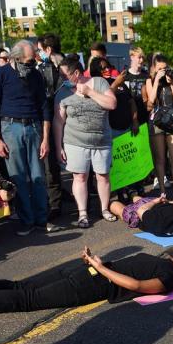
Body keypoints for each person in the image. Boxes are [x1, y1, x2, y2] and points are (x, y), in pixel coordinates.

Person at [0, 242, 173, 331]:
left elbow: (128, 269)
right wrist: (102, 268)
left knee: (19, 285)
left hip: (83, 268)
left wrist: (97, 262)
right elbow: (135, 284)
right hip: (92, 281)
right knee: (28, 299)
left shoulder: (151, 258)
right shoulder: (167, 278)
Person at [0, 40, 53, 236]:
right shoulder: (0, 74)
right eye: (28, 61)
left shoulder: (37, 75)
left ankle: (41, 220)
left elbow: (44, 107)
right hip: (10, 127)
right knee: (19, 179)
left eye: (33, 61)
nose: (31, 65)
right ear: (15, 58)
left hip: (33, 127)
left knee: (39, 177)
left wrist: (45, 138)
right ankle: (27, 221)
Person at [53, 56, 117, 229]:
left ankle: (104, 209)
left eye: (65, 75)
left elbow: (112, 104)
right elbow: (58, 121)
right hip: (75, 142)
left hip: (101, 141)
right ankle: (82, 213)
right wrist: (59, 146)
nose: (62, 79)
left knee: (103, 176)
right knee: (80, 177)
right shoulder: (62, 92)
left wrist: (89, 92)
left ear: (76, 73)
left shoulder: (99, 82)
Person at [145, 55, 173, 200]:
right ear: (154, 68)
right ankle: (162, 191)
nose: (163, 71)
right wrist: (156, 81)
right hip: (157, 122)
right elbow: (151, 101)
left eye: (165, 68)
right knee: (160, 159)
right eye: (160, 68)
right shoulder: (150, 81)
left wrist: (172, 83)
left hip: (172, 122)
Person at [36, 34, 64, 224]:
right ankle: (56, 202)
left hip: (64, 120)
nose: (38, 54)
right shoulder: (42, 69)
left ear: (48, 50)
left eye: (40, 49)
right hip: (50, 119)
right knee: (51, 164)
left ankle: (62, 201)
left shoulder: (66, 67)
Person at [108, 196, 173, 236]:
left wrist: (168, 201)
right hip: (145, 210)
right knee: (124, 213)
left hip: (161, 205)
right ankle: (108, 203)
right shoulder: (160, 222)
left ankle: (134, 196)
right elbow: (141, 210)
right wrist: (154, 201)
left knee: (140, 199)